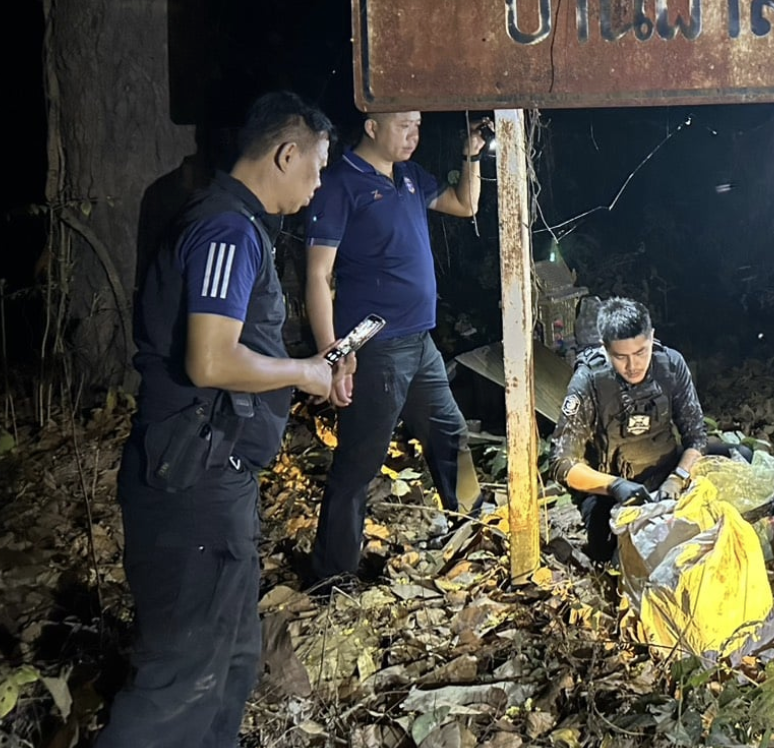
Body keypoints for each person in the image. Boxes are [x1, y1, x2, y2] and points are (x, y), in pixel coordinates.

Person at [99, 92, 351, 748]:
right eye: (318, 168)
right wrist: (303, 373)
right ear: (286, 154)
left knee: (232, 661)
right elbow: (210, 360)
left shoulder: (234, 224)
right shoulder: (226, 230)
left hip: (216, 477)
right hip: (191, 484)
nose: (319, 185)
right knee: (181, 680)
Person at [305, 110, 489, 584]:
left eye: (418, 125)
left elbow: (465, 204)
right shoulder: (340, 184)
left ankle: (472, 530)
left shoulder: (409, 176)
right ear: (371, 127)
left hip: (420, 341)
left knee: (449, 431)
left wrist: (471, 155)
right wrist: (332, 356)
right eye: (404, 125)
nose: (414, 135)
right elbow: (319, 275)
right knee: (359, 462)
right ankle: (331, 575)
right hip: (374, 345)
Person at [549, 297, 711, 563]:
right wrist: (614, 486)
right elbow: (561, 463)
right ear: (605, 348)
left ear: (652, 338)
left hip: (666, 473)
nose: (633, 365)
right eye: (621, 357)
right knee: (612, 555)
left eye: (640, 352)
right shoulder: (588, 380)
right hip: (609, 488)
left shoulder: (670, 365)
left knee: (737, 464)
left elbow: (697, 437)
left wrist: (678, 477)